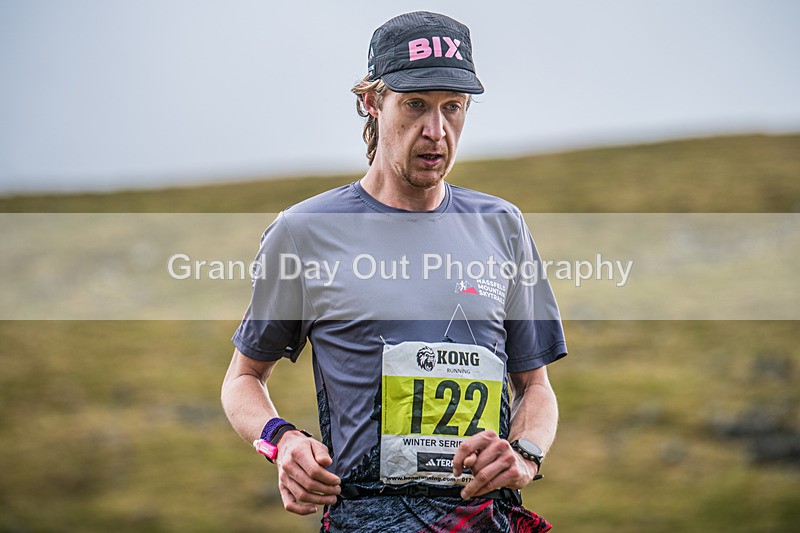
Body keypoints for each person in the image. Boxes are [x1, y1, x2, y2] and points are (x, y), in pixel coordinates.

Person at [221, 11, 567, 532]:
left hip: (483, 520)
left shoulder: (503, 226)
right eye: (415, 105)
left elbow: (535, 386)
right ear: (371, 101)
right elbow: (243, 378)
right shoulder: (304, 232)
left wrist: (525, 456)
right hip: (366, 520)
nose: (436, 131)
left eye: (453, 107)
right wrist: (282, 439)